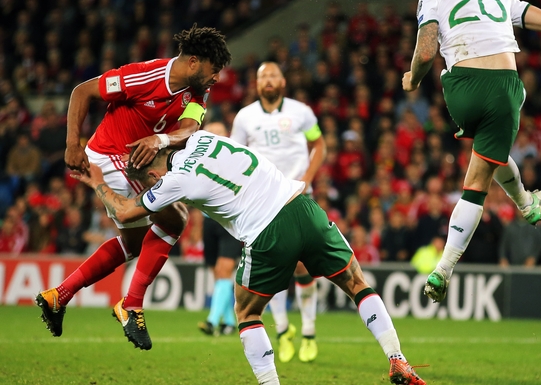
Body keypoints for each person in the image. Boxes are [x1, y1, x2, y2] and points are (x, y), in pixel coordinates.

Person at [71, 131, 426, 385]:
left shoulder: (172, 181)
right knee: (356, 283)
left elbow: (124, 212)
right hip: (304, 207)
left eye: (150, 182)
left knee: (247, 313)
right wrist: (160, 139)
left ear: (152, 174)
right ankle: (398, 360)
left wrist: (96, 182)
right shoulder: (204, 138)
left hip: (267, 232)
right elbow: (184, 132)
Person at [401, 0, 541, 302]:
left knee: (488, 155)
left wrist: (412, 78)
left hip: (462, 89)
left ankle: (526, 205)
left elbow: (425, 52)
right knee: (478, 180)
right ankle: (445, 267)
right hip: (504, 90)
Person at [35, 25, 231, 347]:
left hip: (137, 162)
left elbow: (189, 129)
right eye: (214, 70)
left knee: (136, 241)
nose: (216, 78)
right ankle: (131, 304)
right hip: (110, 154)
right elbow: (82, 92)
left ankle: (59, 295)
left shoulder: (198, 92)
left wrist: (160, 139)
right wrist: (73, 144)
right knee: (175, 218)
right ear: (194, 62)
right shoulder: (144, 77)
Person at [230, 62, 327, 363]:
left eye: (273, 75)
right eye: (262, 76)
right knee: (274, 266)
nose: (268, 80)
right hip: (263, 200)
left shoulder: (301, 111)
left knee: (302, 266)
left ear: (283, 81)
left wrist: (308, 178)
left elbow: (319, 144)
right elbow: (235, 156)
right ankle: (284, 331)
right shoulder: (245, 117)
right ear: (256, 84)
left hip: (298, 194)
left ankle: (309, 333)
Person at [196, 121, 240, 337]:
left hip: (228, 221)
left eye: (218, 134)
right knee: (218, 274)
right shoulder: (198, 161)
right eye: (209, 134)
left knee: (224, 271)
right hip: (208, 221)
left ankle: (212, 321)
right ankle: (230, 322)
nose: (213, 138)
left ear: (227, 137)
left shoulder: (235, 160)